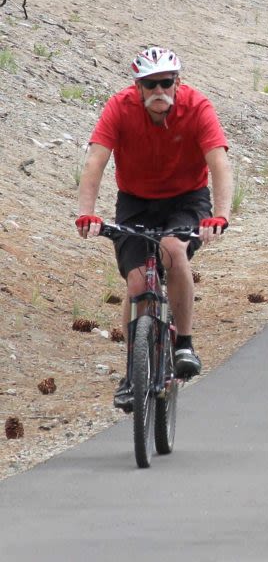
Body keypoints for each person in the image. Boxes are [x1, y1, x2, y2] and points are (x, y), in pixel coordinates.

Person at [75, 47, 232, 411]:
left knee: (174, 251)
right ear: (138, 87)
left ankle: (185, 344)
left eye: (166, 83)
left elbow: (219, 164)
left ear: (178, 83)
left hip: (187, 200)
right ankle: (134, 374)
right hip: (136, 202)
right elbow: (96, 160)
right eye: (150, 84)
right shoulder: (119, 107)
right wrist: (87, 213)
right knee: (135, 284)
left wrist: (219, 216)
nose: (159, 90)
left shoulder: (198, 107)